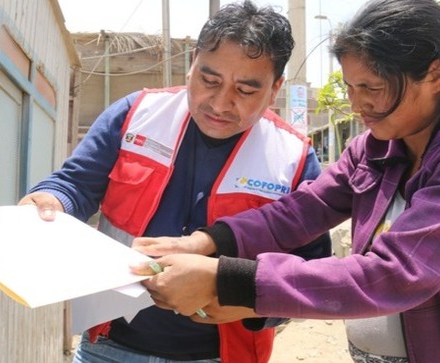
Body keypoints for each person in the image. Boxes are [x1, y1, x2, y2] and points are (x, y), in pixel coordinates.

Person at [131, 0, 440, 362]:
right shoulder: (377, 147)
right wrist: (206, 242)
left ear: (437, 74)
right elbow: (301, 211)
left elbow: (394, 275)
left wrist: (228, 279)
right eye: (351, 87)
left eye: (373, 88)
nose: (359, 103)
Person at [18, 1, 331, 362]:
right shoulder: (135, 115)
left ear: (275, 89)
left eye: (245, 91)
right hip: (108, 344)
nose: (220, 103)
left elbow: (311, 271)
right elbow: (75, 184)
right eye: (209, 80)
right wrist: (51, 201)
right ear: (192, 62)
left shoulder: (292, 158)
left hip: (222, 355)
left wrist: (249, 302)